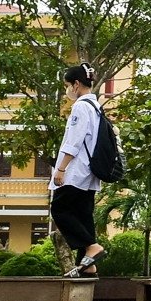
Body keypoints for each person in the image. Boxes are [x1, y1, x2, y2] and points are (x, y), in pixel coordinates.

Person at [50, 63, 106, 277]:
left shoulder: (81, 107)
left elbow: (74, 140)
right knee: (83, 215)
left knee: (60, 209)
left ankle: (92, 247)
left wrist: (61, 169)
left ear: (75, 84)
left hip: (76, 171)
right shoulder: (96, 107)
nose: (67, 90)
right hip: (90, 172)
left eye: (67, 85)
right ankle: (88, 265)